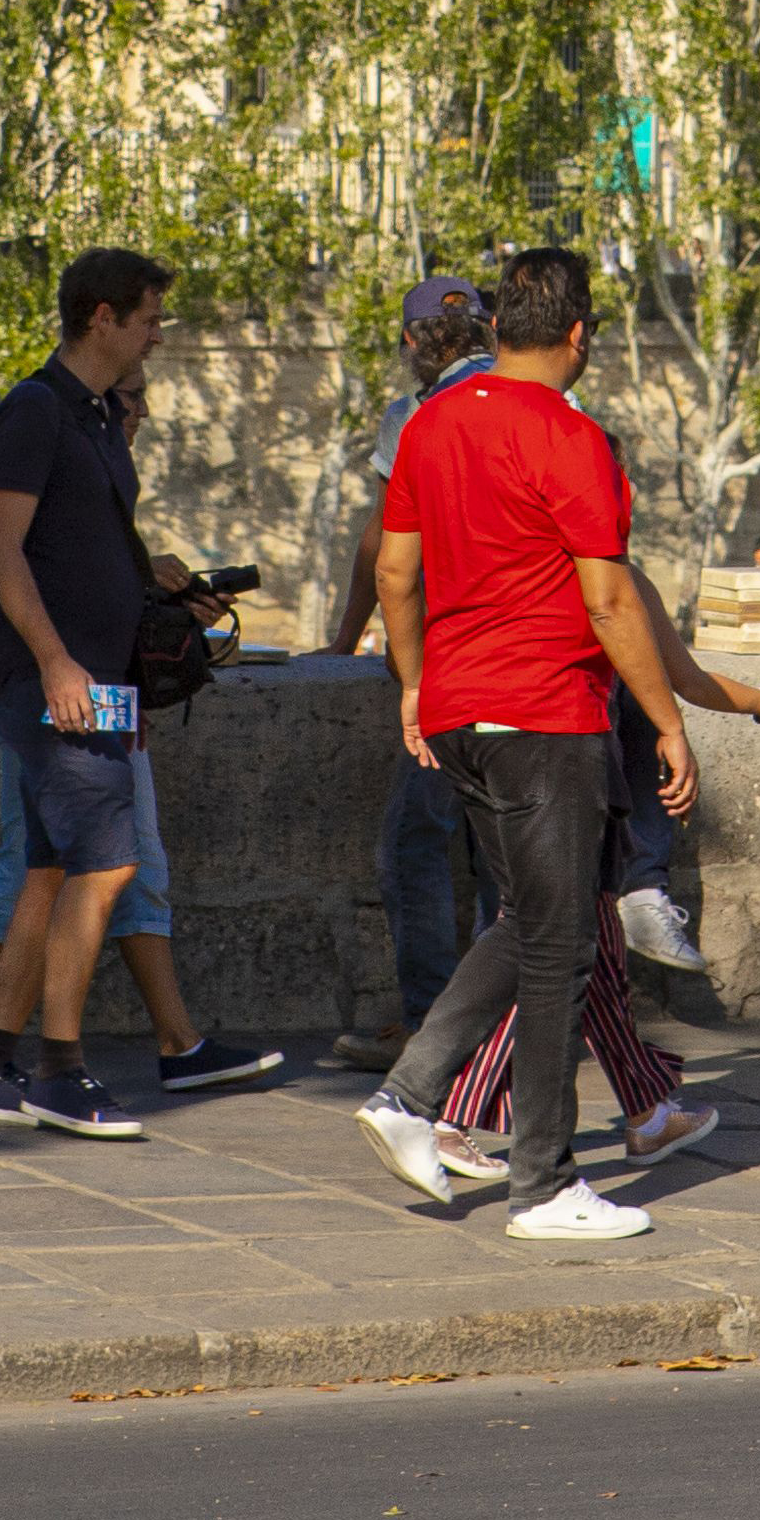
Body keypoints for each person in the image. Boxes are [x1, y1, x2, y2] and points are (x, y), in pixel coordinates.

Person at [369, 244, 691, 1239]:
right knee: (558, 945)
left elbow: (394, 573)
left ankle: (411, 1095)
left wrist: (415, 683)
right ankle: (543, 1184)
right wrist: (670, 722)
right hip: (544, 711)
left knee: (533, 922)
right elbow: (610, 600)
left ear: (498, 325)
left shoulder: (429, 422)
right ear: (579, 335)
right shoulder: (571, 436)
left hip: (458, 709)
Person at [360, 568, 760, 1211]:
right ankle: (440, 1110)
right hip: (562, 758)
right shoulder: (607, 579)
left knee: (573, 941)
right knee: (545, 939)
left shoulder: (488, 573)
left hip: (479, 742)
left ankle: (642, 1110)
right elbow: (679, 674)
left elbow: (396, 578)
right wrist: (719, 719)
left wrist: (416, 686)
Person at [0, 248, 180, 1143]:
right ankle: (58, 1069)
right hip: (54, 684)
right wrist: (54, 662)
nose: (157, 333)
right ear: (101, 317)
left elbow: (86, 548)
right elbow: (0, 548)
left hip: (96, 684)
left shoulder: (94, 417)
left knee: (49, 868)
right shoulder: (35, 410)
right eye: (148, 317)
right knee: (109, 863)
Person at [324, 281, 506, 1049]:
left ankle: (436, 1022)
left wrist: (356, 645)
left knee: (413, 838)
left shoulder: (416, 417)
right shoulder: (534, 401)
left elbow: (388, 553)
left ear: (410, 341)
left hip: (454, 661)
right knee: (504, 849)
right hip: (533, 657)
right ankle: (504, 1023)